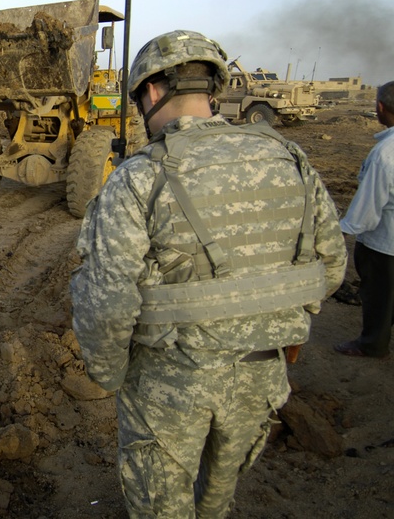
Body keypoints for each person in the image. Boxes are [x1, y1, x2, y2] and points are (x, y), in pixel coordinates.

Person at [70, 30, 347, 518]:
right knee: (217, 500)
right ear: (212, 89)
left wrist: (110, 375)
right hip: (261, 378)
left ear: (151, 92)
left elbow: (107, 302)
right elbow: (331, 269)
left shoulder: (139, 178)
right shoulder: (291, 159)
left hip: (169, 386)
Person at [334, 81, 394, 358]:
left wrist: (339, 232)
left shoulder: (385, 154)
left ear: (380, 107)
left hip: (384, 244)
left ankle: (371, 344)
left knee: (379, 296)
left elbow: (368, 210)